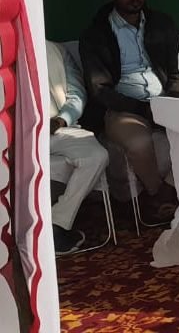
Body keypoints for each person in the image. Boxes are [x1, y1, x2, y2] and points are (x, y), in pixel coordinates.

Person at [79, 0, 179, 224]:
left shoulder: (162, 24)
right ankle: (158, 194)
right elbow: (99, 89)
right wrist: (142, 109)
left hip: (164, 100)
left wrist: (173, 98)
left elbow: (177, 71)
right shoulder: (96, 35)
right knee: (138, 143)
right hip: (123, 108)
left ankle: (171, 189)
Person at [46, 41, 109, 254]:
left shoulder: (55, 50)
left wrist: (62, 119)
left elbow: (77, 93)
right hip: (15, 134)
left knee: (96, 156)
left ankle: (56, 224)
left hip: (57, 127)